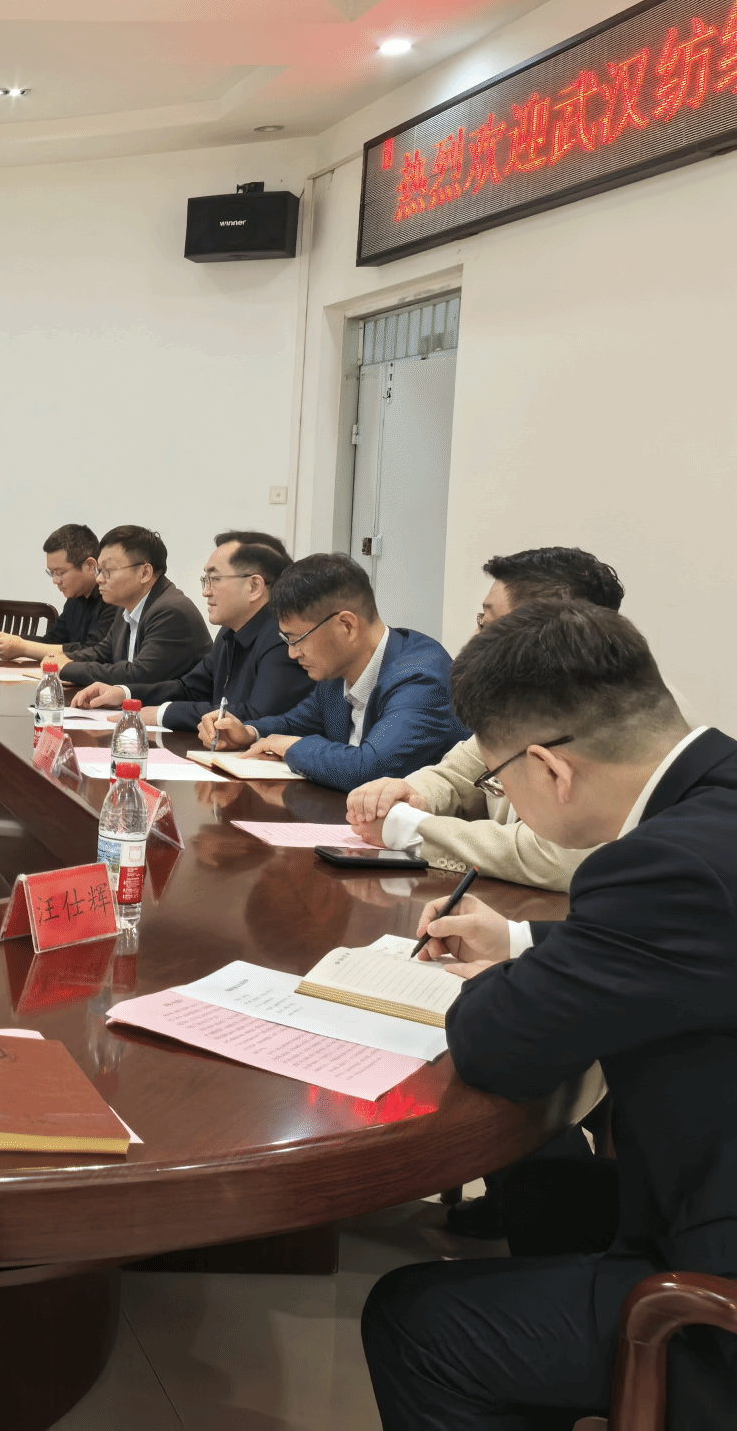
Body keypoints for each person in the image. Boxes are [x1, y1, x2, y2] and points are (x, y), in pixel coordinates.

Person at [363, 600, 737, 1431]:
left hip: (713, 1280)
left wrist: (508, 978)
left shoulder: (662, 864)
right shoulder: (716, 805)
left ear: (549, 769)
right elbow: (686, 947)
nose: (506, 797)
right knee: (543, 1178)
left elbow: (497, 1046)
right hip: (692, 1175)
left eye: (500, 783)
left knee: (415, 1322)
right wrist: (525, 944)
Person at [347, 546, 627, 889]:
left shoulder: (621, 717)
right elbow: (457, 776)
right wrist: (408, 793)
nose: (475, 638)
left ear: (545, 636)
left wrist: (413, 832)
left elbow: (556, 856)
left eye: (488, 623)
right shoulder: (520, 702)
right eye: (480, 621)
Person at [212, 552, 460, 791]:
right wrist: (248, 733)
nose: (292, 653)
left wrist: (293, 748)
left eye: (297, 639)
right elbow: (293, 723)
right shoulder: (336, 672)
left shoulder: (420, 678)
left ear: (347, 626)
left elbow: (371, 768)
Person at [72, 531, 310, 737]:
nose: (206, 591)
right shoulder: (229, 632)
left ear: (254, 587)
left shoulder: (283, 638)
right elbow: (189, 689)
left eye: (215, 579)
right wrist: (124, 693)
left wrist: (162, 713)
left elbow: (257, 715)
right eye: (206, 580)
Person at [56, 525, 210, 689]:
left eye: (107, 570)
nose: (99, 579)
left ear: (144, 573)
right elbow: (102, 653)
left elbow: (139, 675)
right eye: (98, 570)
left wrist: (67, 668)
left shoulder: (171, 612)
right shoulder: (126, 607)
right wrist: (61, 659)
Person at [0, 523, 116, 665]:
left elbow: (92, 652)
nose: (55, 581)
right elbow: (51, 641)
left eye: (60, 572)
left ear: (90, 566)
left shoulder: (113, 600)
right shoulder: (75, 599)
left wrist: (23, 647)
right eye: (51, 573)